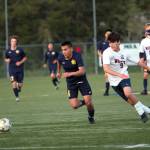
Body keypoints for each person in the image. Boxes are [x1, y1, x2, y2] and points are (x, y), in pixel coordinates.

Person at [103, 32, 150, 123]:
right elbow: (106, 69)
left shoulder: (125, 52)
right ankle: (147, 110)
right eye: (110, 42)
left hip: (124, 76)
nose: (112, 44)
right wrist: (118, 74)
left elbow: (138, 62)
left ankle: (142, 114)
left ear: (119, 42)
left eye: (114, 42)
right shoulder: (107, 53)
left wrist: (147, 67)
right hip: (113, 81)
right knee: (131, 101)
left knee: (128, 93)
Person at [57, 41, 95, 124]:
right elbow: (59, 62)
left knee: (89, 104)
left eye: (65, 49)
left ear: (71, 49)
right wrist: (58, 72)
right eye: (62, 50)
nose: (64, 51)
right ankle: (87, 101)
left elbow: (82, 71)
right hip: (71, 83)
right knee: (74, 106)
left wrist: (69, 74)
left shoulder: (77, 56)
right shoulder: (61, 56)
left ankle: (91, 117)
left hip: (81, 80)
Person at [5, 35, 27, 102]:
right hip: (12, 70)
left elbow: (25, 57)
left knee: (20, 84)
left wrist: (20, 62)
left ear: (16, 42)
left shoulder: (20, 50)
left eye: (14, 41)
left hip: (20, 70)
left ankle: (19, 87)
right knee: (13, 83)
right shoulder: (8, 51)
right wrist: (7, 60)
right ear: (10, 42)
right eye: (12, 41)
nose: (13, 42)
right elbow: (5, 58)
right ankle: (17, 97)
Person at [97, 29, 112, 96]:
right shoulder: (101, 42)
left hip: (113, 61)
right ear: (105, 34)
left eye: (110, 33)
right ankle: (107, 90)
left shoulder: (113, 42)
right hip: (105, 62)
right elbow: (99, 51)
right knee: (106, 75)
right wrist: (102, 56)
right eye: (107, 33)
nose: (108, 35)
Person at [139, 23, 150, 95]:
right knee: (145, 75)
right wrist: (141, 61)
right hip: (148, 64)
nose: (147, 32)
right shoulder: (144, 41)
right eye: (147, 31)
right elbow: (141, 53)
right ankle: (145, 89)